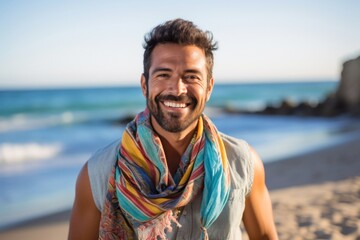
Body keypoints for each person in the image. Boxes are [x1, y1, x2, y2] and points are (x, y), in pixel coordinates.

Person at [68, 18, 278, 240]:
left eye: (191, 77)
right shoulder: (98, 173)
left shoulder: (243, 162)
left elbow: (264, 235)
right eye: (163, 75)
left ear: (209, 87)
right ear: (144, 85)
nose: (177, 89)